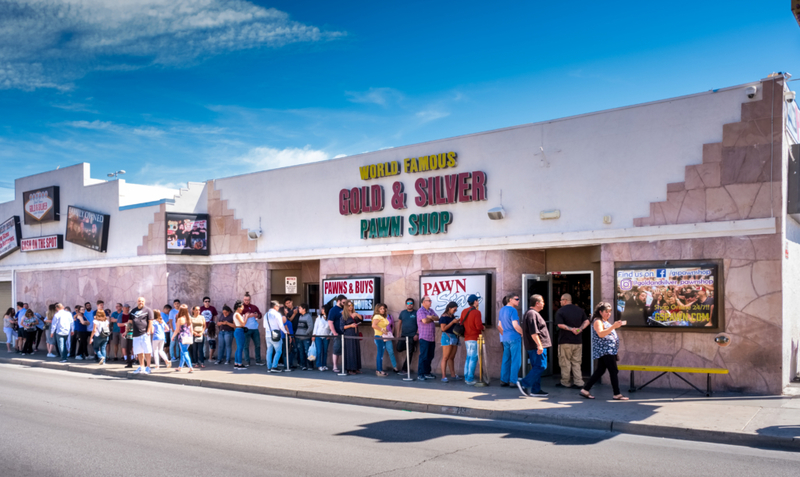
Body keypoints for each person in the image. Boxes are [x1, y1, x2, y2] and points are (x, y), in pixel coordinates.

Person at [580, 302, 629, 400]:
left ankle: (585, 389)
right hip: (605, 350)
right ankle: (617, 393)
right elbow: (601, 334)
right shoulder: (598, 321)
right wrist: (613, 327)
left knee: (600, 370)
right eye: (606, 312)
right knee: (613, 370)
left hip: (608, 350)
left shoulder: (603, 320)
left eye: (610, 312)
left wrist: (614, 326)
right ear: (600, 312)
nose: (609, 314)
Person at [517, 294, 551, 397]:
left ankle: (535, 390)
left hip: (534, 346)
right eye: (542, 302)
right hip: (536, 347)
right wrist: (539, 345)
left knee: (536, 367)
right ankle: (524, 383)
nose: (544, 304)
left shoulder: (531, 313)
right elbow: (534, 332)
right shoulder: (532, 314)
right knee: (541, 366)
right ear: (537, 303)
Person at [554, 293, 589, 389]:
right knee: (576, 362)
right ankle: (579, 382)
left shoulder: (560, 311)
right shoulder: (580, 310)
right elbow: (587, 321)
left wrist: (571, 329)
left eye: (561, 300)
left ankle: (565, 382)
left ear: (565, 300)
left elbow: (560, 325)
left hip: (565, 341)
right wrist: (580, 329)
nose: (560, 302)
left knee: (565, 362)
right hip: (578, 341)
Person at [498, 294, 523, 387]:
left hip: (505, 338)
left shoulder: (502, 310)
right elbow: (515, 325)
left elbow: (499, 326)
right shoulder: (513, 310)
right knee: (516, 360)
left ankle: (503, 380)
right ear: (510, 300)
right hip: (514, 337)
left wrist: (504, 336)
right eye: (516, 299)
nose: (518, 301)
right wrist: (522, 332)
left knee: (506, 359)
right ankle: (513, 380)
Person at [371, 303, 397, 376]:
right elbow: (373, 325)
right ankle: (379, 370)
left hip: (383, 336)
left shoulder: (382, 316)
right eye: (381, 309)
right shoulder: (377, 316)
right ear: (377, 309)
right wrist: (383, 330)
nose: (383, 310)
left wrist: (386, 331)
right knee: (380, 354)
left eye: (383, 308)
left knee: (381, 354)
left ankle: (379, 370)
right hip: (379, 336)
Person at [129, 296, 154, 375]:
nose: (141, 302)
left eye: (142, 301)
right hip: (135, 335)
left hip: (144, 334)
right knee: (139, 352)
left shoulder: (148, 310)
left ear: (144, 302)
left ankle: (148, 367)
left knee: (147, 351)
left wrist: (148, 331)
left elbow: (150, 321)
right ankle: (141, 367)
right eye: (139, 301)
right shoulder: (133, 311)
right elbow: (130, 322)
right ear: (137, 302)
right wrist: (126, 331)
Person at [416, 296, 438, 381]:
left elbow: (437, 318)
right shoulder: (420, 311)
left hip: (432, 338)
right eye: (429, 301)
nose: (430, 302)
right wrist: (431, 318)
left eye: (430, 300)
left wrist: (430, 317)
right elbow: (424, 321)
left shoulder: (431, 311)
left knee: (430, 356)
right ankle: (420, 374)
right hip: (424, 337)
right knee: (423, 356)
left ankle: (427, 373)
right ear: (423, 302)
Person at [438, 301, 461, 382]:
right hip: (447, 337)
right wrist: (452, 322)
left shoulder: (452, 316)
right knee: (445, 357)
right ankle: (443, 376)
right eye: (454, 310)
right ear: (449, 308)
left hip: (454, 336)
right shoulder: (443, 317)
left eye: (456, 310)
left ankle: (453, 375)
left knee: (452, 357)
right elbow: (443, 329)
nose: (455, 311)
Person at [241, 292, 265, 367]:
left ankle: (258, 360)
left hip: (255, 329)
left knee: (257, 345)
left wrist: (256, 315)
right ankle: (247, 361)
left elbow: (260, 315)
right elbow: (238, 316)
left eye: (248, 300)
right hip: (246, 329)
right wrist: (246, 315)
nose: (246, 301)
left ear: (250, 300)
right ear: (243, 299)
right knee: (246, 346)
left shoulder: (254, 307)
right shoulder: (241, 307)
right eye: (245, 300)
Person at [265, 300, 288, 373]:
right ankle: (274, 366)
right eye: (278, 306)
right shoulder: (277, 314)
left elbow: (264, 326)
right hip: (275, 335)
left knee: (269, 351)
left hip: (268, 335)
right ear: (275, 306)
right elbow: (281, 325)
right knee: (278, 351)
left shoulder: (266, 314)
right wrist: (285, 331)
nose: (278, 307)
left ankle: (269, 367)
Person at [342, 300, 362, 375]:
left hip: (355, 334)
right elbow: (342, 327)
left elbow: (361, 319)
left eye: (351, 305)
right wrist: (351, 325)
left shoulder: (354, 314)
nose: (350, 307)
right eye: (349, 306)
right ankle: (350, 369)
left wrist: (356, 314)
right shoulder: (344, 315)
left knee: (356, 350)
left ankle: (356, 368)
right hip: (349, 335)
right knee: (350, 352)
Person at [398, 298, 418, 374]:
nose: (410, 305)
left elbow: (419, 324)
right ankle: (412, 348)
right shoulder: (403, 313)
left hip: (412, 336)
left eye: (411, 303)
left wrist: (417, 334)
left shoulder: (416, 312)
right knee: (399, 348)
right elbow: (399, 323)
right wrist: (398, 333)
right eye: (408, 303)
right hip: (403, 335)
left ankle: (405, 369)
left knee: (409, 353)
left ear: (413, 304)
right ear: (406, 304)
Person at [327, 294, 346, 373]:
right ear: (338, 301)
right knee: (336, 350)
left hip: (345, 333)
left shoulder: (345, 309)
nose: (344, 304)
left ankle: (345, 366)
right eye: (343, 302)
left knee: (344, 351)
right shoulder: (333, 310)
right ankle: (335, 366)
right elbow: (330, 322)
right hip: (337, 333)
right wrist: (334, 333)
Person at [174, 305, 193, 373]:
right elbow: (191, 329)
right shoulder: (189, 318)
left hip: (182, 337)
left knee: (184, 352)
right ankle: (180, 367)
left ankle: (190, 367)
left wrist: (173, 337)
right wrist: (191, 336)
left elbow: (177, 330)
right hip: (188, 337)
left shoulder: (180, 319)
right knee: (183, 352)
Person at [295, 304, 314, 370]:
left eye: (300, 308)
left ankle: (310, 365)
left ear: (304, 309)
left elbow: (310, 327)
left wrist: (306, 334)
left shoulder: (308, 316)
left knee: (308, 351)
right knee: (301, 352)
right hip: (299, 337)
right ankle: (303, 365)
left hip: (306, 338)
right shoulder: (300, 316)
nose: (298, 309)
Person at [200, 296, 218, 361]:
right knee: (204, 342)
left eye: (208, 301)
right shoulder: (200, 308)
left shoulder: (212, 308)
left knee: (212, 342)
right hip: (203, 327)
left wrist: (215, 324)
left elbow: (215, 316)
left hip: (211, 328)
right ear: (203, 302)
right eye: (206, 301)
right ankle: (204, 355)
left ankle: (211, 355)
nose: (207, 302)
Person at [232, 301, 247, 370]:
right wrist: (246, 317)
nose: (242, 309)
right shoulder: (237, 314)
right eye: (242, 308)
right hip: (239, 331)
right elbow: (243, 324)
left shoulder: (235, 314)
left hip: (237, 330)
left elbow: (237, 324)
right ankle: (240, 364)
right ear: (238, 308)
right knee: (240, 348)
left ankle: (236, 363)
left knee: (238, 348)